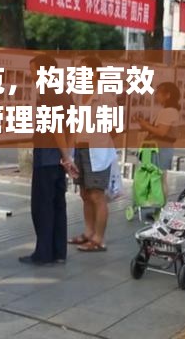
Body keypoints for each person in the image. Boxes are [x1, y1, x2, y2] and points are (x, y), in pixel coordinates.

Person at [19, 54, 78, 266]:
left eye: (34, 70)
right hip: (59, 159)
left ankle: (43, 253)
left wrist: (65, 155)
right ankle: (59, 252)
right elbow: (72, 124)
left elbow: (56, 127)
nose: (32, 75)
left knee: (42, 206)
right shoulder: (64, 92)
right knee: (58, 204)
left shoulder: (47, 92)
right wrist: (67, 155)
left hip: (47, 157)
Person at [68, 56, 117, 253]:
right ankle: (88, 233)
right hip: (79, 148)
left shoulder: (105, 95)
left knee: (97, 194)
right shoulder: (78, 93)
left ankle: (99, 239)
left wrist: (99, 138)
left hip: (97, 150)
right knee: (84, 193)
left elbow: (114, 126)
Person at [133, 81, 180, 199]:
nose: (156, 95)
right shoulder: (168, 110)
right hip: (160, 148)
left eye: (159, 93)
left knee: (158, 178)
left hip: (160, 148)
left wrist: (145, 125)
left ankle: (158, 204)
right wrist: (146, 125)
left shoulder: (169, 111)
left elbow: (161, 132)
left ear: (168, 95)